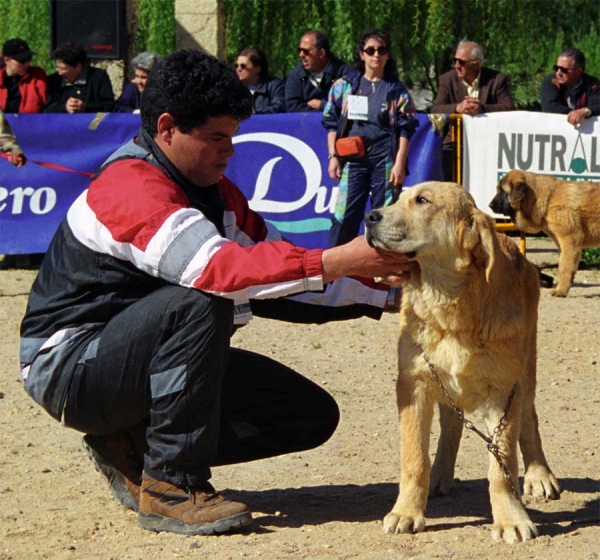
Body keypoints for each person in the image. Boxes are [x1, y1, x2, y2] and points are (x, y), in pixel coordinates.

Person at [19, 50, 415, 537]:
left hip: (122, 363)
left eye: (233, 136)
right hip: (68, 371)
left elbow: (279, 274)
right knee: (202, 298)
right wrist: (336, 259)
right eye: (216, 137)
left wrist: (392, 294)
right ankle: (170, 484)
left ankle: (133, 443)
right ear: (166, 127)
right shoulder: (130, 186)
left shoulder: (218, 194)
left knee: (307, 415)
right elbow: (221, 272)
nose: (229, 150)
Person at [322, 29, 419, 248]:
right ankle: (337, 272)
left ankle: (382, 276)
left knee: (383, 216)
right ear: (362, 54)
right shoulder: (344, 86)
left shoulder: (396, 90)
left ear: (388, 55)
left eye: (381, 50)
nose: (376, 54)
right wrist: (333, 156)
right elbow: (330, 122)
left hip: (384, 158)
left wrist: (399, 165)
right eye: (371, 50)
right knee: (344, 214)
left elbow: (406, 129)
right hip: (353, 158)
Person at [430, 40, 515, 181]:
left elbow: (509, 107)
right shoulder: (447, 79)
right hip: (454, 142)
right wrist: (457, 108)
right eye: (455, 60)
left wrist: (482, 109)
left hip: (486, 142)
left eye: (462, 62)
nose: (457, 65)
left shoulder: (497, 80)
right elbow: (436, 108)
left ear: (477, 63)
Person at [285, 30, 351, 112]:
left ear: (321, 53)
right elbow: (293, 108)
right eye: (299, 50)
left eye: (306, 51)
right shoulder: (295, 76)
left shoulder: (344, 74)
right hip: (305, 124)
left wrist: (322, 105)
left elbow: (349, 107)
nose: (301, 55)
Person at [45, 42, 114, 113]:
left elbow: (109, 106)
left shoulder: (98, 77)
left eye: (63, 69)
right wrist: (64, 107)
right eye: (57, 68)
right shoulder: (53, 81)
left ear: (78, 67)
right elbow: (46, 108)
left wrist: (85, 107)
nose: (59, 73)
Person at [541, 47, 600, 126]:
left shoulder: (592, 84)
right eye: (556, 68)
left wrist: (585, 111)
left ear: (578, 71)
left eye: (563, 70)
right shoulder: (550, 82)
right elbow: (549, 106)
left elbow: (597, 105)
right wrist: (573, 114)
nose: (558, 73)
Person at [0, 38, 47, 113]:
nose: (27, 64)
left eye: (29, 59)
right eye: (22, 60)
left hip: (29, 123)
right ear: (7, 60)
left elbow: (48, 103)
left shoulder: (37, 76)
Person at [235, 47, 286, 114]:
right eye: (236, 66)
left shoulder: (274, 85)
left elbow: (280, 107)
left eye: (243, 66)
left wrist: (257, 112)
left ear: (257, 69)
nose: (238, 69)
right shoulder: (234, 88)